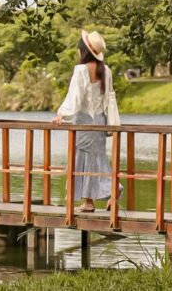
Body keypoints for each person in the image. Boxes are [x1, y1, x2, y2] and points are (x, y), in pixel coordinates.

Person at [52, 30, 121, 213]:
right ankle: (110, 193)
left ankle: (92, 201)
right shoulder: (105, 70)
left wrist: (62, 114)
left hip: (83, 120)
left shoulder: (81, 70)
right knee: (97, 159)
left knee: (82, 160)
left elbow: (75, 96)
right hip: (100, 120)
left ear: (84, 50)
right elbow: (110, 98)